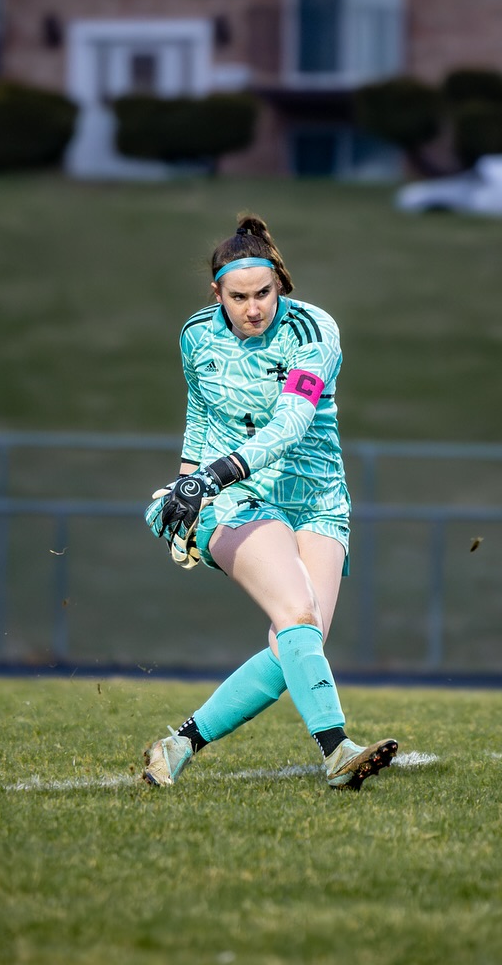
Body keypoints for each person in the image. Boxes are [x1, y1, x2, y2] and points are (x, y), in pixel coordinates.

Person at [141, 214, 397, 790]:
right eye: (239, 298)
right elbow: (200, 414)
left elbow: (292, 422)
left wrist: (213, 472)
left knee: (297, 644)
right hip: (241, 497)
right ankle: (337, 752)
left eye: (263, 293)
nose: (253, 308)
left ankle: (177, 744)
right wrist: (188, 483)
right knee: (297, 613)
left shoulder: (313, 329)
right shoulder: (196, 335)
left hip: (319, 498)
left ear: (279, 283)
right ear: (217, 294)